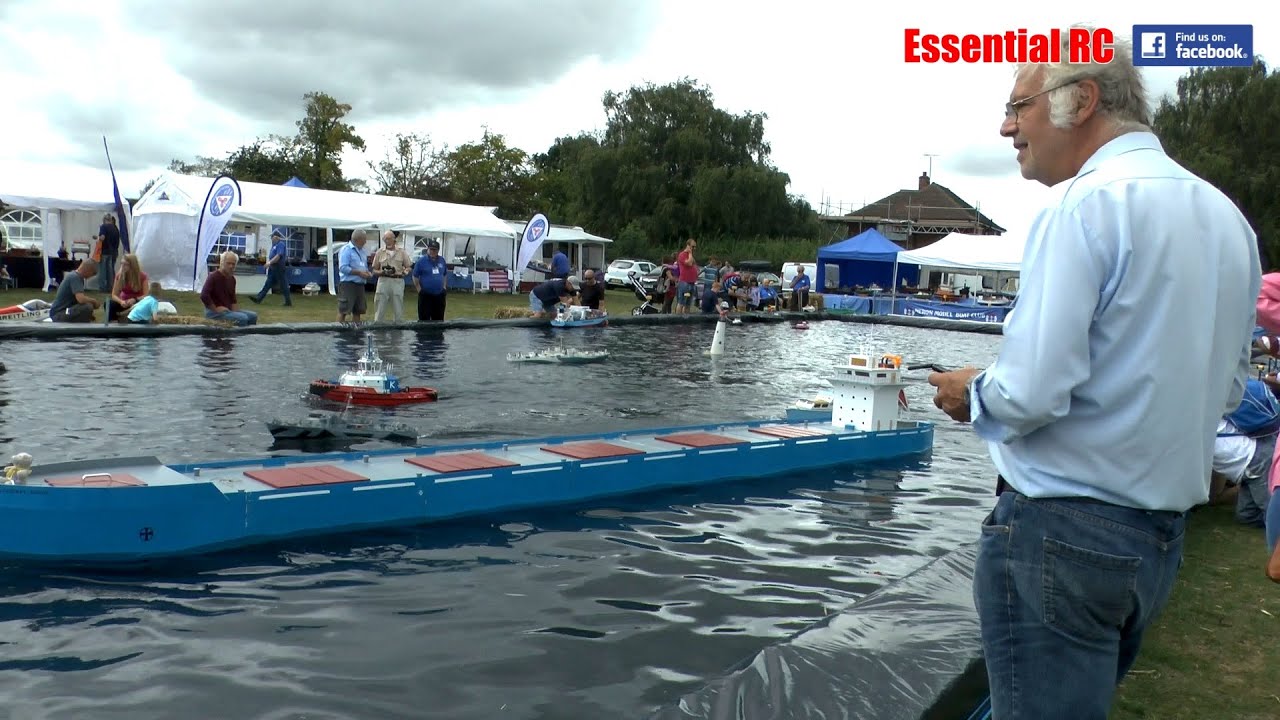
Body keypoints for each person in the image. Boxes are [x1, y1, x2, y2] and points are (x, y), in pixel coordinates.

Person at [927, 29, 1260, 719]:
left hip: (1061, 531)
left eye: (1020, 104)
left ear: (1081, 100)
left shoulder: (1084, 205)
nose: (1005, 125)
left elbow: (1031, 390)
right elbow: (1231, 391)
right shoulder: (1230, 221)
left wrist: (973, 392)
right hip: (1158, 539)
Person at [200, 251, 258, 326]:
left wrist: (236, 312)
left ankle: (247, 336)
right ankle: (235, 336)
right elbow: (204, 295)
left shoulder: (232, 279)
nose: (231, 266)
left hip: (227, 311)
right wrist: (215, 309)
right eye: (228, 263)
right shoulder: (213, 276)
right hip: (213, 312)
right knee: (242, 318)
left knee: (253, 316)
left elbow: (233, 299)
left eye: (233, 264)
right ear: (222, 262)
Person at [372, 231, 412, 323]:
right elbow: (374, 270)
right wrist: (382, 272)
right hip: (383, 281)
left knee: (398, 308)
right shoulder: (379, 252)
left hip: (397, 281)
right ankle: (378, 329)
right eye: (385, 239)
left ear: (394, 239)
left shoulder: (402, 252)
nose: (387, 241)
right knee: (380, 307)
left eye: (389, 239)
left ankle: (398, 332)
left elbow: (408, 266)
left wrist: (405, 272)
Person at [337, 229, 372, 325]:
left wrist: (367, 272)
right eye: (364, 239)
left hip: (360, 285)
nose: (365, 242)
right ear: (358, 239)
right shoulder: (346, 250)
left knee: (358, 310)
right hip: (348, 284)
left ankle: (356, 334)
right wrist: (359, 273)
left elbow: (363, 266)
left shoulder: (362, 251)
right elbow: (343, 268)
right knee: (344, 310)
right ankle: (339, 332)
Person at [251, 230, 292, 306]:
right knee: (268, 284)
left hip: (278, 267)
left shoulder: (280, 244)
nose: (271, 239)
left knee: (283, 284)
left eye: (272, 237)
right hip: (273, 268)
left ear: (276, 237)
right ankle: (258, 298)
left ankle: (288, 301)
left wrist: (269, 263)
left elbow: (278, 256)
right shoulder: (274, 245)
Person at [412, 239, 448, 322]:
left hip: (439, 295)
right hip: (425, 295)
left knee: (439, 319)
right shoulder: (421, 261)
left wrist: (444, 287)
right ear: (428, 249)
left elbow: (445, 274)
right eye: (431, 249)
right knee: (424, 320)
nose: (432, 251)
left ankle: (437, 335)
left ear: (438, 250)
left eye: (434, 250)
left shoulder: (442, 260)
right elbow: (415, 276)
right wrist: (419, 289)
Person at [106, 253, 148, 322]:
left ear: (132, 265)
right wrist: (121, 301)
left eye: (125, 264)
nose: (123, 266)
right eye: (121, 264)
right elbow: (114, 295)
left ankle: (125, 317)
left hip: (137, 302)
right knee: (109, 304)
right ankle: (113, 323)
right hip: (124, 302)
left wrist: (135, 299)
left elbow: (146, 295)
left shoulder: (142, 276)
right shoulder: (119, 275)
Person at [95, 214, 120, 292]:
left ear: (104, 220)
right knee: (110, 271)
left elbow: (102, 237)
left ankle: (102, 288)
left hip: (104, 251)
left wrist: (97, 238)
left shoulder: (103, 226)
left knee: (102, 270)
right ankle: (111, 287)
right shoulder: (115, 228)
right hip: (113, 252)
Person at [675, 238, 698, 314]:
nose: (694, 248)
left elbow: (694, 264)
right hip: (684, 281)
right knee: (681, 302)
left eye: (695, 247)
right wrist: (690, 253)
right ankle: (678, 318)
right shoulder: (682, 255)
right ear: (688, 246)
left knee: (688, 303)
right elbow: (689, 263)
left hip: (692, 281)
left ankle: (687, 318)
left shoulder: (691, 256)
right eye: (692, 246)